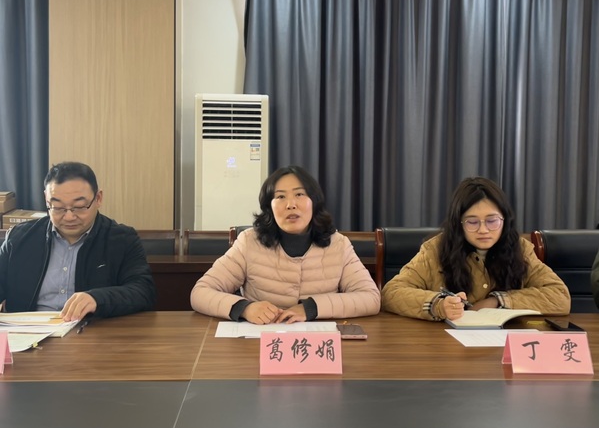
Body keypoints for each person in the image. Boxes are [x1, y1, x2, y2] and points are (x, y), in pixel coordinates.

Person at [190, 165, 381, 324]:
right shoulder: (249, 242)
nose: (291, 204)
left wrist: (311, 308)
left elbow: (370, 298)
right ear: (269, 207)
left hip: (317, 343)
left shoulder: (338, 244)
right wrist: (245, 308)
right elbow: (200, 293)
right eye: (280, 197)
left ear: (314, 202)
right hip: (260, 341)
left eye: (299, 194)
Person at [382, 176, 570, 321]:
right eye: (472, 222)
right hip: (446, 344)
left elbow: (559, 296)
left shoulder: (520, 249)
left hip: (504, 343)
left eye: (492, 221)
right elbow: (391, 293)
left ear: (504, 220)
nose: (483, 230)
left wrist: (498, 301)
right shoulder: (435, 249)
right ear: (458, 223)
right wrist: (438, 305)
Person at [0, 162, 156, 321]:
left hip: (91, 330)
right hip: (29, 330)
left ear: (98, 198)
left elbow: (143, 292)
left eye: (79, 206)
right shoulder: (19, 238)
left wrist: (97, 299)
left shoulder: (122, 239)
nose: (69, 217)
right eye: (58, 207)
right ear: (46, 200)